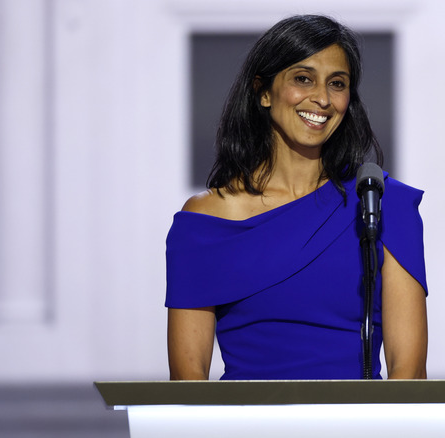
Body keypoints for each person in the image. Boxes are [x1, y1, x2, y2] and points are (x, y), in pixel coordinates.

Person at [165, 15, 427, 380]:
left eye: (337, 84)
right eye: (303, 79)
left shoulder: (382, 204)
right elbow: (187, 383)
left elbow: (409, 371)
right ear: (264, 90)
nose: (321, 98)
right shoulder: (205, 222)